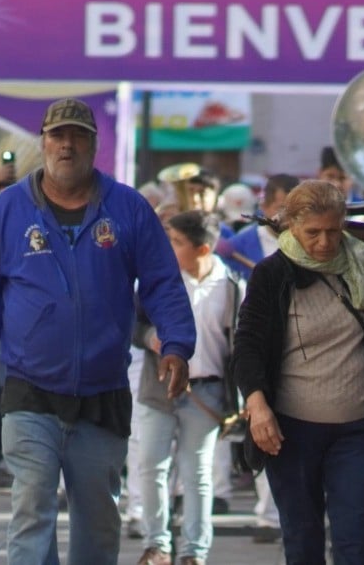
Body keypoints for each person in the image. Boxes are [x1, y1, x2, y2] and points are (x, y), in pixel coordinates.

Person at [0, 98, 197, 565]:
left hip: (102, 390)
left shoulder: (128, 208)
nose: (67, 145)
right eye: (57, 136)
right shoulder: (8, 210)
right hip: (30, 388)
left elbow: (163, 283)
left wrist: (176, 344)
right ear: (44, 143)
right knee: (31, 508)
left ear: (94, 144)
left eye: (78, 136)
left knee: (98, 519)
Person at [230, 180, 364, 565]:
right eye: (312, 233)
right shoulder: (273, 274)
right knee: (302, 542)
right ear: (290, 227)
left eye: (333, 231)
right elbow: (248, 345)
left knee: (353, 540)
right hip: (291, 431)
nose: (323, 242)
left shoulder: (360, 265)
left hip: (356, 429)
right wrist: (257, 404)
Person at [136, 210, 242, 565]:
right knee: (152, 465)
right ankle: (158, 545)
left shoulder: (230, 287)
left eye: (176, 243)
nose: (167, 248)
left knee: (197, 472)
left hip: (206, 391)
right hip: (160, 387)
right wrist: (151, 337)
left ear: (203, 249)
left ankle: (194, 551)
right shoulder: (158, 281)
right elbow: (133, 324)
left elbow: (237, 346)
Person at [214, 172, 298, 542]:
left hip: (292, 350)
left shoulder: (303, 242)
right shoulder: (242, 245)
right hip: (247, 345)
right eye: (287, 207)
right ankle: (259, 511)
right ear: (268, 205)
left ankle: (280, 513)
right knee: (256, 426)